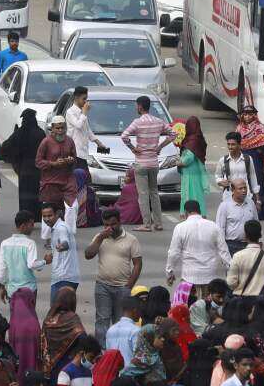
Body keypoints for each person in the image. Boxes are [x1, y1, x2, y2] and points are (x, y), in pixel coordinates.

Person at [85, 209, 142, 344]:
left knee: (120, 321)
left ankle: (118, 351)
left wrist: (129, 285)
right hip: (102, 286)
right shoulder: (100, 237)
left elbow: (138, 264)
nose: (109, 228)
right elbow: (88, 255)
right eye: (105, 225)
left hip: (123, 287)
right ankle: (101, 352)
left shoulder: (131, 239)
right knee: (102, 319)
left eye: (113, 224)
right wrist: (99, 238)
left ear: (119, 221)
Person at [120, 96, 173, 231]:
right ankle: (159, 223)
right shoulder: (158, 121)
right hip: (154, 163)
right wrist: (160, 146)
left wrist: (133, 148)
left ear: (140, 107)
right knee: (154, 192)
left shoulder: (137, 122)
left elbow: (124, 136)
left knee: (143, 194)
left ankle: (147, 224)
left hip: (141, 162)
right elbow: (173, 134)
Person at [165, 199, 230, 294]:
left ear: (186, 212)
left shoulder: (180, 228)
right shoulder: (213, 226)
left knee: (191, 306)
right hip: (209, 277)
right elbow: (224, 251)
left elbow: (173, 253)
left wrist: (169, 272)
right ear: (199, 211)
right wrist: (231, 270)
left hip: (189, 277)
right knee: (208, 307)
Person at [0, 109, 46, 217]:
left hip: (24, 169)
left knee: (25, 196)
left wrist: (15, 162)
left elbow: (5, 148)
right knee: (36, 194)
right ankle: (36, 217)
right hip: (38, 170)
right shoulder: (40, 133)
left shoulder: (19, 133)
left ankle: (25, 218)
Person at [0, 211, 45, 304]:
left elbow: (2, 267)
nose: (33, 227)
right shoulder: (30, 243)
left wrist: (2, 287)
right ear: (23, 226)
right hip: (29, 289)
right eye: (31, 224)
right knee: (29, 316)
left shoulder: (5, 243)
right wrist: (44, 262)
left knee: (15, 316)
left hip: (12, 291)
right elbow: (32, 265)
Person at [36, 116, 78, 209]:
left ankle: (69, 224)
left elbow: (75, 159)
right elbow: (38, 162)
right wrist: (53, 163)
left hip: (67, 181)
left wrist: (70, 160)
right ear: (52, 128)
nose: (60, 130)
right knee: (49, 210)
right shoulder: (46, 142)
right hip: (50, 182)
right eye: (57, 128)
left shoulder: (70, 141)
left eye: (62, 128)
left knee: (72, 207)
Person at [40, 203, 80, 297]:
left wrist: (62, 246)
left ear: (57, 214)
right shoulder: (56, 227)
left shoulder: (61, 228)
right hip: (64, 277)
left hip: (64, 278)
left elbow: (65, 242)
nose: (47, 219)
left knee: (56, 309)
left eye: (50, 215)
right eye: (44, 216)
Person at [227, 220, 264, 297]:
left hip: (241, 300)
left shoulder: (237, 256)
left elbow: (231, 282)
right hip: (260, 301)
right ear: (260, 235)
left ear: (245, 236)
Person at [65, 86, 107, 171]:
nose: (85, 102)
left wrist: (98, 142)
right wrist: (84, 113)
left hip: (83, 151)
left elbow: (87, 130)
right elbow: (78, 125)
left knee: (84, 178)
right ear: (76, 98)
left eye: (86, 99)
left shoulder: (82, 113)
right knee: (80, 177)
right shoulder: (70, 112)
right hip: (75, 151)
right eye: (83, 99)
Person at [216, 179, 259, 256]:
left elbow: (256, 223)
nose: (244, 191)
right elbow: (220, 229)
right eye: (240, 188)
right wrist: (223, 251)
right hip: (232, 246)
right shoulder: (224, 206)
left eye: (245, 188)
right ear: (233, 190)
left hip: (249, 246)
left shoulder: (251, 203)